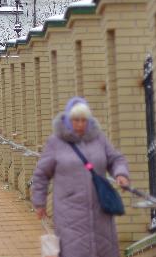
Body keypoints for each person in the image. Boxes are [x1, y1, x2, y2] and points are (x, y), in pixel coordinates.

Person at [32, 98, 130, 257]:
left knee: (102, 249)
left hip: (100, 210)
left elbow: (115, 159)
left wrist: (121, 173)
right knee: (74, 250)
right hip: (69, 211)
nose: (80, 124)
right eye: (76, 120)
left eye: (84, 120)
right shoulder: (56, 142)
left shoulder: (99, 139)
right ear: (69, 121)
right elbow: (41, 174)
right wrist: (39, 202)